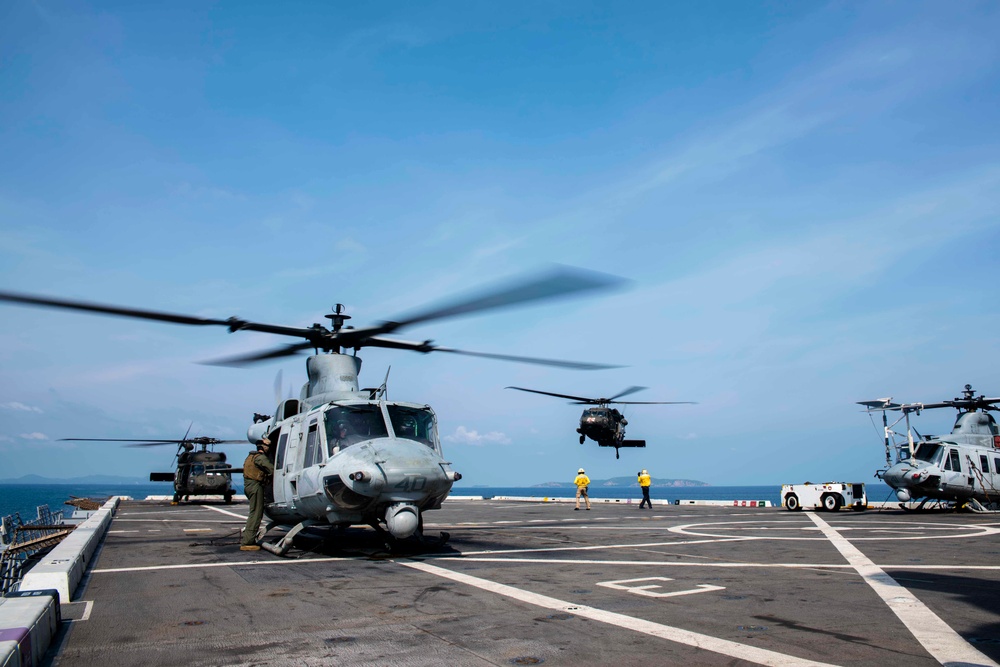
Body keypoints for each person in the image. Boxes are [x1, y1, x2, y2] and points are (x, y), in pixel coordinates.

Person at [240, 438, 275, 551]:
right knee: (256, 514)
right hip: (255, 486)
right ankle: (248, 541)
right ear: (264, 447)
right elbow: (272, 470)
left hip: (249, 486)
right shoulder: (260, 458)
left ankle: (248, 538)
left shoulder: (250, 457)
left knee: (253, 512)